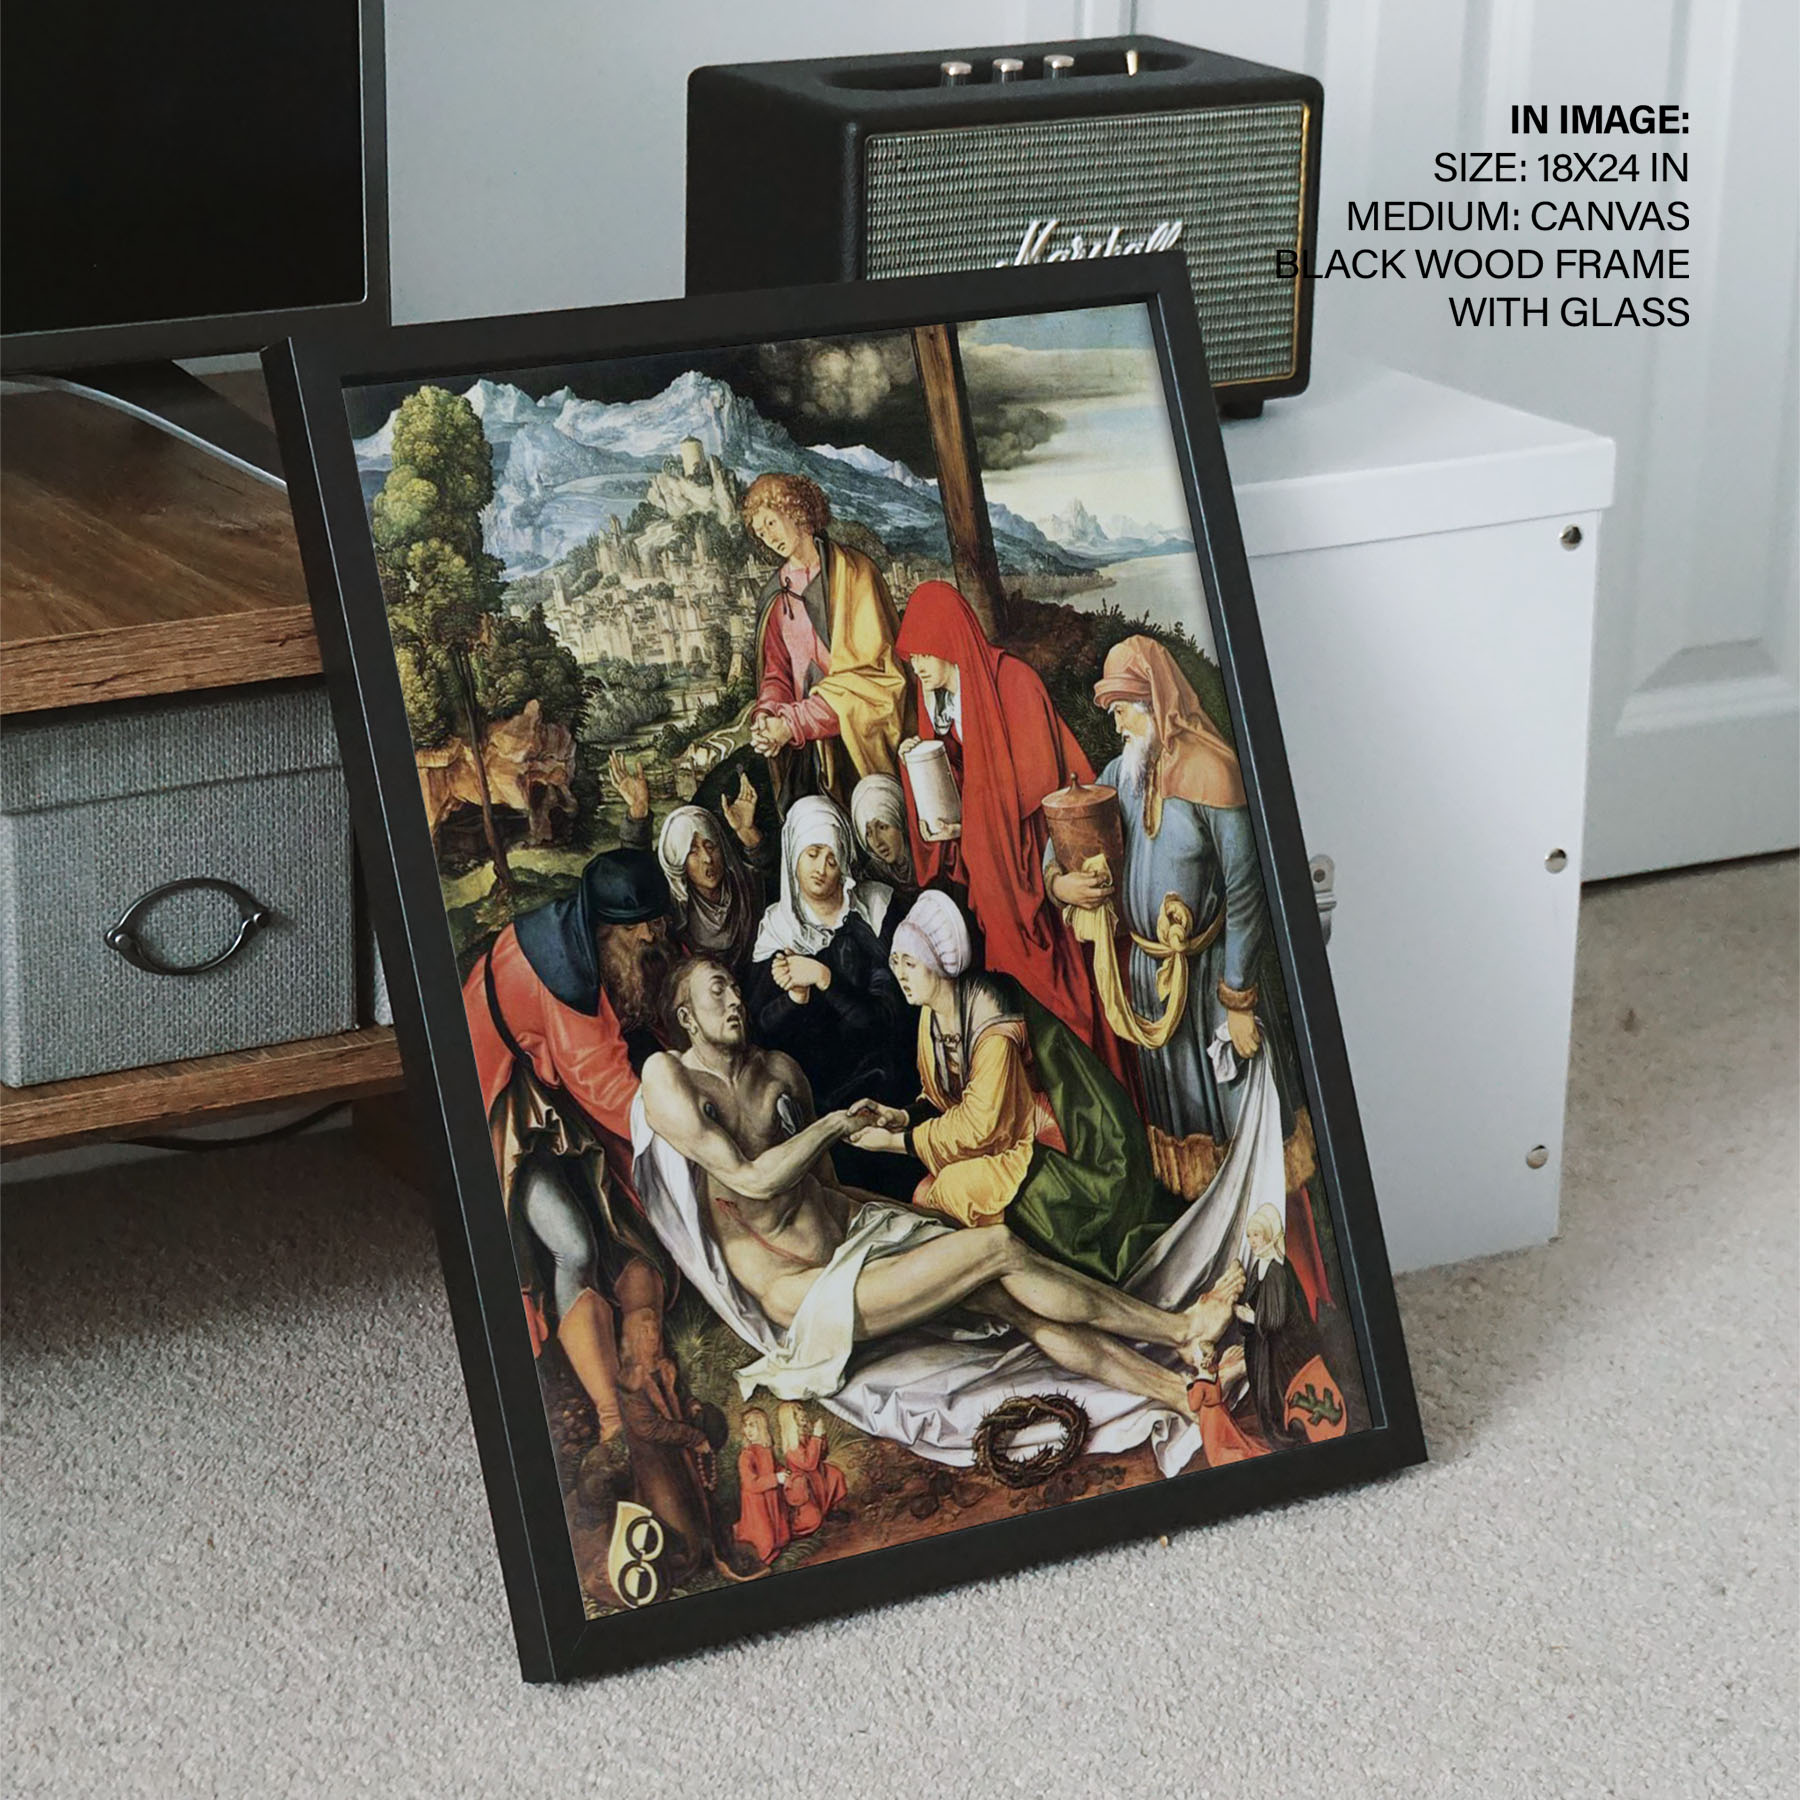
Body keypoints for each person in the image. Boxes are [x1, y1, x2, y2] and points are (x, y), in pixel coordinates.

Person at [637, 956, 1245, 1420]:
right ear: (686, 1017)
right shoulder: (670, 1078)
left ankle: (1181, 1390)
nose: (735, 999)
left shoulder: (779, 1072)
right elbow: (752, 1178)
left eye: (735, 987)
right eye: (717, 990)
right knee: (997, 1248)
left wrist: (920, 1224)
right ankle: (1180, 1329)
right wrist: (835, 1125)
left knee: (1012, 1298)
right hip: (805, 1289)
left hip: (859, 1238)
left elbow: (829, 1189)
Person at [463, 848, 727, 1579]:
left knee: (626, 1228)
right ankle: (612, 1420)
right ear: (605, 930)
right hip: (500, 1102)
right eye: (637, 933)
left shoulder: (601, 947)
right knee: (574, 1243)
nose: (650, 941)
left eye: (655, 928)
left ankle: (630, 1360)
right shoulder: (562, 978)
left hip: (549, 1097)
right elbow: (604, 1086)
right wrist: (698, 1133)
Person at [850, 892, 1183, 1286]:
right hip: (995, 1138)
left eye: (911, 963)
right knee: (927, 1194)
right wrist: (902, 1116)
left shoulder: (991, 1020)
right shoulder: (931, 1017)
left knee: (951, 1190)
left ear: (939, 963)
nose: (900, 975)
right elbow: (943, 1098)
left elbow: (982, 1123)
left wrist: (896, 1143)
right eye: (896, 963)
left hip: (1040, 1137)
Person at [1050, 634, 1270, 1200]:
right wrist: (1061, 882)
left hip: (1209, 979)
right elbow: (1065, 830)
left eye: (1123, 710)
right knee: (1180, 1124)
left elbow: (1247, 890)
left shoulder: (1214, 774)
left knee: (1233, 1123)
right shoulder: (1123, 773)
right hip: (1149, 982)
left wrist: (1238, 999)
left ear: (1156, 703)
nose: (1118, 725)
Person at [893, 580, 1129, 1091]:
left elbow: (1039, 790)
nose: (918, 667)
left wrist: (977, 824)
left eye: (924, 653)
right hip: (995, 878)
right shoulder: (943, 702)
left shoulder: (1014, 682)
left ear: (950, 638)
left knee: (1064, 1005)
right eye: (911, 659)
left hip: (1036, 866)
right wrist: (924, 773)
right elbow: (966, 786)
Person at [746, 796, 916, 1195]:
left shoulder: (876, 908)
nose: (821, 868)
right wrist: (795, 999)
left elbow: (891, 1018)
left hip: (885, 1078)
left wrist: (825, 979)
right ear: (793, 856)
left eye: (831, 858)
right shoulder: (777, 929)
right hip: (818, 1094)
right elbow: (760, 1031)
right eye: (812, 854)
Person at [743, 472, 909, 813]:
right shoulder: (776, 594)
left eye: (771, 523)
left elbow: (872, 680)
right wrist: (767, 714)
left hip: (860, 737)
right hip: (808, 750)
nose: (769, 538)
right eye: (760, 533)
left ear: (797, 510)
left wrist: (792, 723)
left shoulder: (856, 573)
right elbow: (776, 673)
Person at [1233, 1204, 1346, 1444]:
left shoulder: (1276, 1270)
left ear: (1269, 1234)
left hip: (1282, 1350)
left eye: (1256, 1234)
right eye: (1249, 1236)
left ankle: (1288, 1436)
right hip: (1264, 1346)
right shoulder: (1260, 1265)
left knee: (1280, 1396)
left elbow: (1276, 1319)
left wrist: (1249, 1317)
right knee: (1267, 1397)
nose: (1252, 1241)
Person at [775, 1402, 848, 1536]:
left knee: (834, 1474)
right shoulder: (792, 1445)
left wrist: (821, 1436)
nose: (802, 1414)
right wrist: (816, 1437)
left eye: (801, 1409)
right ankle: (799, 1529)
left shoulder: (806, 1435)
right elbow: (808, 1463)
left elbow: (823, 1455)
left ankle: (830, 1510)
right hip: (804, 1482)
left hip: (816, 1474)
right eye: (795, 1413)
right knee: (812, 1516)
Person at [848, 773, 919, 910]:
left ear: (900, 819)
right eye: (868, 833)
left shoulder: (927, 864)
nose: (877, 842)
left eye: (882, 827)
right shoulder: (873, 876)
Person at [732, 1408, 790, 1566]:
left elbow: (775, 1467)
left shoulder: (766, 1450)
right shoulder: (746, 1455)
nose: (748, 1430)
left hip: (770, 1496)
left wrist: (784, 1472)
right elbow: (750, 1484)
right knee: (765, 1540)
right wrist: (775, 1478)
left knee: (781, 1534)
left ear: (762, 1427)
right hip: (756, 1501)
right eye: (745, 1425)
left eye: (752, 1425)